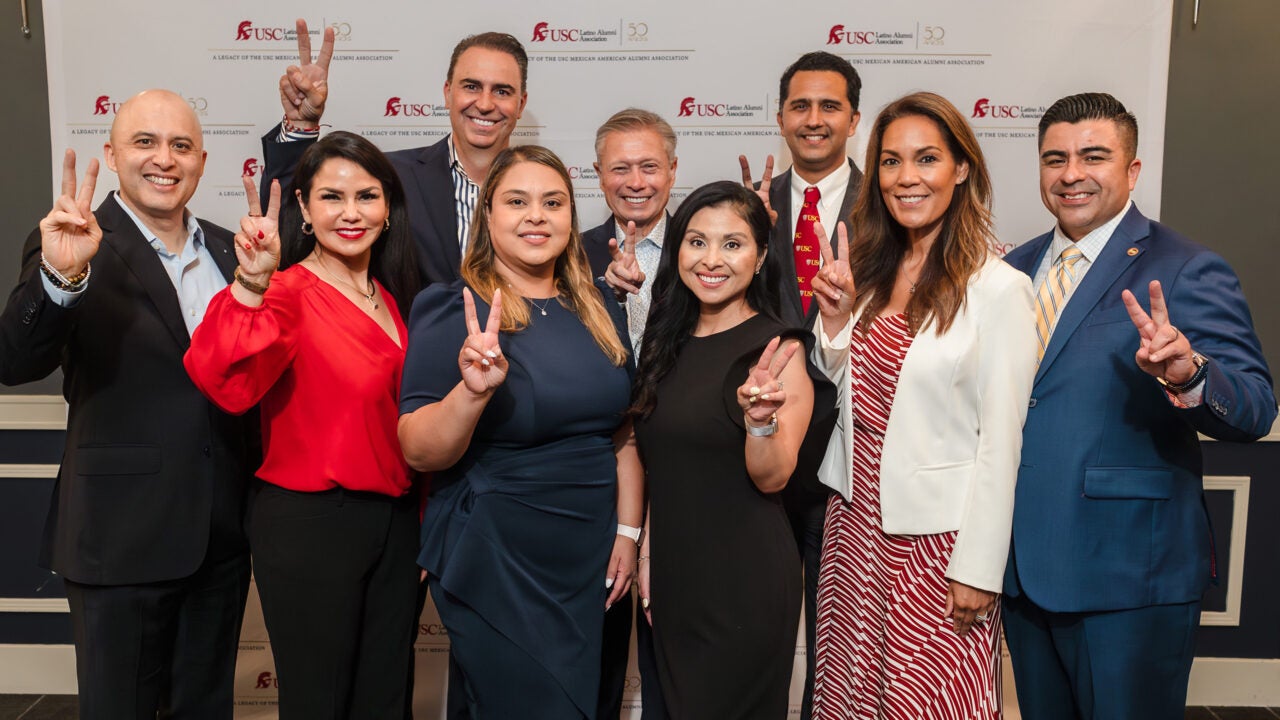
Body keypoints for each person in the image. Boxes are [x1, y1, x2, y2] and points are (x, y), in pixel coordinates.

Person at [1001, 92, 1276, 720]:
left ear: (1133, 170)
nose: (1071, 173)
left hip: (1129, 573)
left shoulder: (1185, 268)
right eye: (1055, 158)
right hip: (1022, 567)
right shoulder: (1011, 270)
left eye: (1094, 156)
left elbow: (1256, 408)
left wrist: (1190, 374)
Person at [0, 89, 256, 719]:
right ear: (112, 155)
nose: (163, 159)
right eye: (145, 142)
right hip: (120, 538)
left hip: (219, 536)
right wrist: (60, 281)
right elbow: (15, 359)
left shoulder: (232, 252)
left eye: (180, 145)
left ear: (201, 160)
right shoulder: (74, 240)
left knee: (205, 707)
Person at [807, 91, 1037, 719]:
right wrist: (832, 326)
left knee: (929, 704)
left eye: (927, 158)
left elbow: (1002, 441)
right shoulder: (872, 271)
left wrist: (981, 567)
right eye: (890, 161)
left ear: (961, 168)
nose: (906, 178)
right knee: (850, 701)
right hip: (853, 530)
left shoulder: (1000, 290)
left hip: (935, 547)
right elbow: (854, 392)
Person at [184, 131, 423, 718]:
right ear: (304, 210)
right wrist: (251, 283)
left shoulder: (391, 299)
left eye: (367, 196)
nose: (351, 212)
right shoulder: (286, 290)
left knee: (384, 697)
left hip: (393, 524)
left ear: (388, 209)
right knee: (319, 701)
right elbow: (221, 379)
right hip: (312, 523)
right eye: (331, 197)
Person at [398, 145, 642, 719]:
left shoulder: (601, 306)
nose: (537, 215)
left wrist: (628, 533)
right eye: (517, 201)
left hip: (587, 556)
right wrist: (473, 392)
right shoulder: (453, 308)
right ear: (488, 216)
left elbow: (623, 433)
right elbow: (419, 448)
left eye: (553, 202)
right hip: (498, 556)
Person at [631, 180, 817, 718]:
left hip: (744, 584)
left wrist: (760, 422)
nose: (712, 259)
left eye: (733, 244)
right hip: (673, 576)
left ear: (761, 257)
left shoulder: (780, 348)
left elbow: (774, 476)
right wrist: (647, 546)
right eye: (696, 241)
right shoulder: (666, 342)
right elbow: (660, 463)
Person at [740, 50, 865, 718]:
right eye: (800, 106)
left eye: (829, 106)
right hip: (760, 440)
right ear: (781, 116)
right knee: (752, 622)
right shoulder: (750, 207)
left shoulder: (896, 203)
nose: (813, 120)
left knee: (837, 633)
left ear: (853, 118)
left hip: (855, 451)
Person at [263, 19, 527, 287]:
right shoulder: (391, 175)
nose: (484, 104)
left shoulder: (543, 192)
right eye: (471, 87)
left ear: (521, 104)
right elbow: (289, 228)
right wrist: (301, 126)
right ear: (448, 94)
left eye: (502, 91)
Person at [583, 106, 678, 720]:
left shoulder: (710, 249)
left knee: (679, 665)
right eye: (621, 168)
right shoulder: (568, 252)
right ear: (597, 174)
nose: (636, 181)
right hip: (599, 486)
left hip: (686, 480)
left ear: (674, 170)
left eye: (649, 165)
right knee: (597, 660)